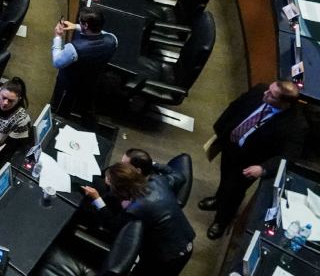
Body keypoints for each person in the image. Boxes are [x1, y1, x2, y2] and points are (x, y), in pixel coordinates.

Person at [201, 80, 305, 239]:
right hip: (231, 146)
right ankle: (218, 199)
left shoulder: (296, 126)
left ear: (284, 104)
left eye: (271, 95)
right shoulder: (260, 90)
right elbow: (235, 106)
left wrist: (262, 168)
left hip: (249, 163)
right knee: (224, 177)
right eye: (269, 90)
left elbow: (288, 157)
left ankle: (222, 221)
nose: (265, 93)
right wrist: (221, 131)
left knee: (234, 191)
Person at [83, 163, 195, 275]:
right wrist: (152, 163)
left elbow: (112, 225)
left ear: (120, 189)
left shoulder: (136, 209)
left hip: (168, 257)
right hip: (186, 242)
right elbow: (179, 175)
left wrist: (97, 199)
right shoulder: (157, 180)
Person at [51, 7, 119, 121]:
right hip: (92, 82)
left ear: (86, 26)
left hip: (68, 86)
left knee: (60, 111)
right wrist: (76, 26)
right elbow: (102, 33)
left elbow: (57, 62)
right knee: (86, 108)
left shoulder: (74, 48)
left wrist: (57, 37)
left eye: (80, 22)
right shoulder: (113, 40)